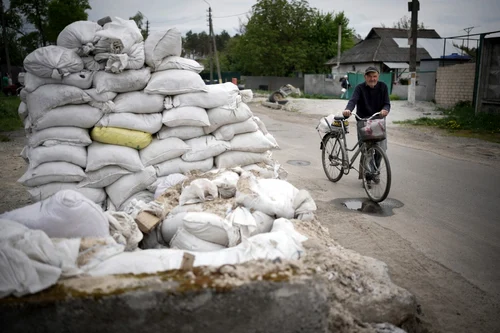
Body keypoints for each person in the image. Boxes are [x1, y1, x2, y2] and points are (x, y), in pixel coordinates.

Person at [342, 66, 391, 184]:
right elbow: (353, 101)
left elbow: (387, 103)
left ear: (378, 76)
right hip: (363, 122)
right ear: (365, 77)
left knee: (381, 150)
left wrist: (385, 110)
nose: (372, 78)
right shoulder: (360, 88)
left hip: (378, 122)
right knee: (367, 151)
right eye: (369, 76)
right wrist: (348, 110)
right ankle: (368, 176)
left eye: (374, 76)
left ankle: (375, 171)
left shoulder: (383, 87)